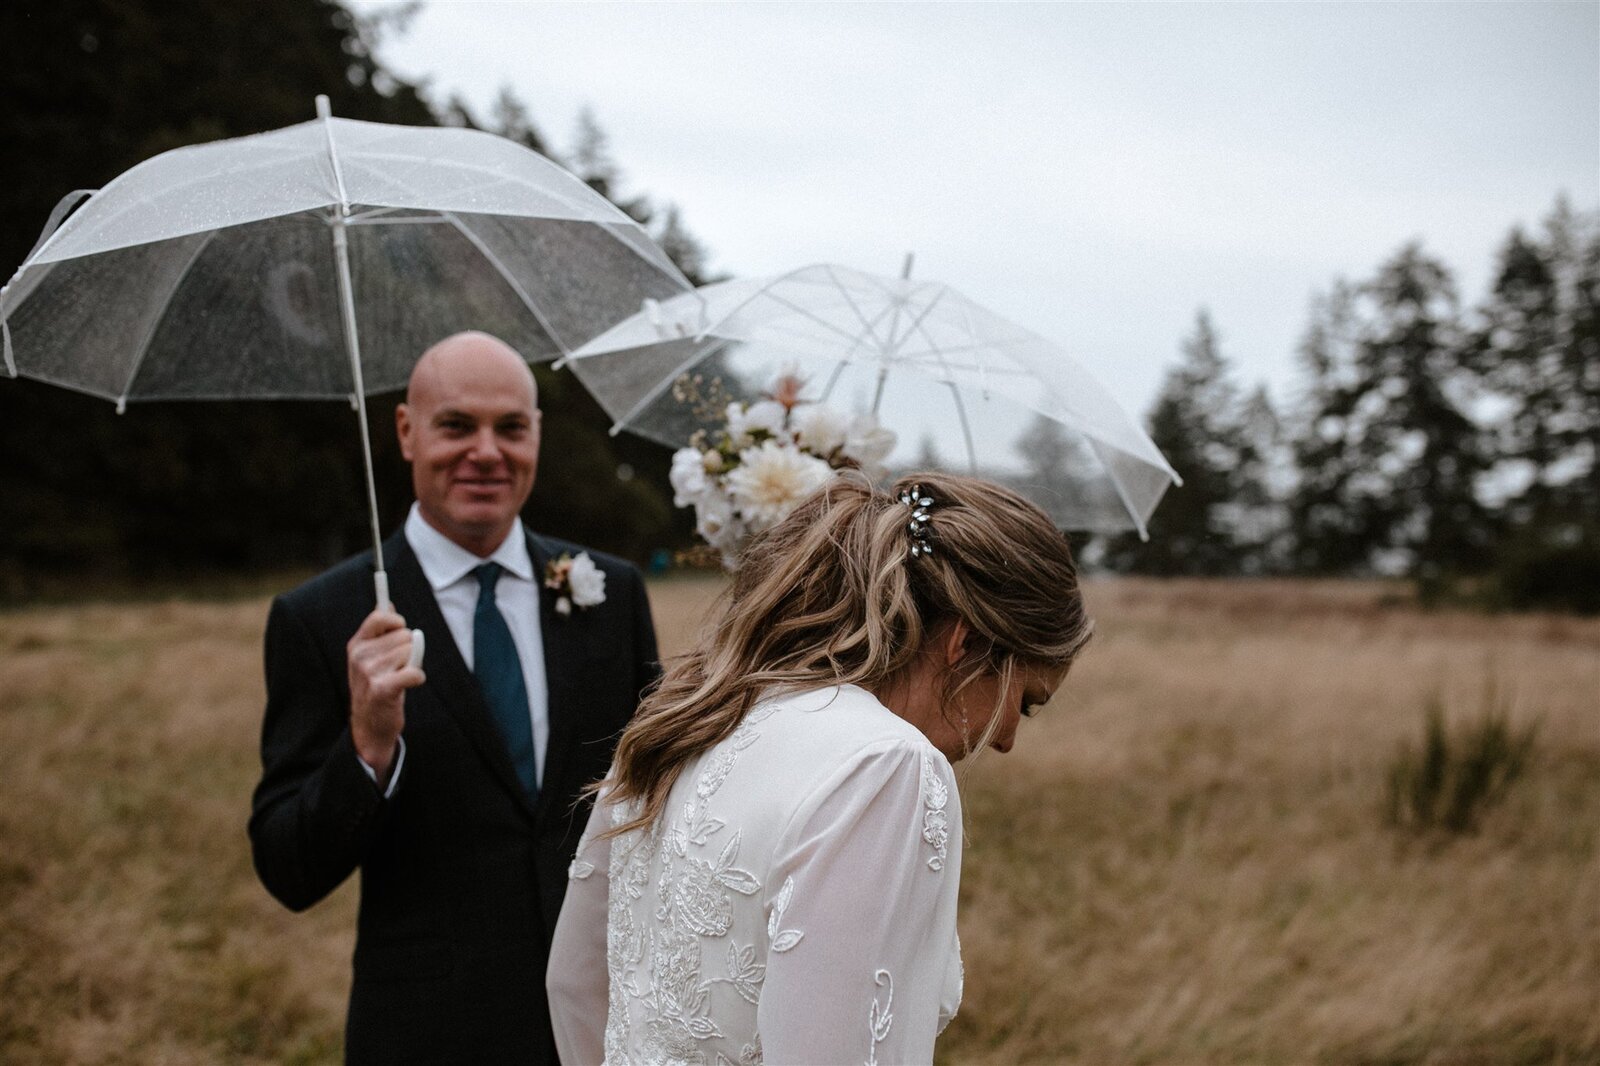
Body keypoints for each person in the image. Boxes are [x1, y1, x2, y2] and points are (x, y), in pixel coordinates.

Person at [547, 472, 1093, 1064]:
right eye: (1026, 700)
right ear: (963, 643)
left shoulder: (686, 715)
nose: (1008, 738)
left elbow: (573, 983)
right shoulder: (884, 768)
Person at [249, 331, 659, 1065]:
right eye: (456, 426)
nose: (487, 452)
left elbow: (655, 794)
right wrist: (368, 747)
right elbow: (289, 870)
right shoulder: (321, 618)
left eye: (511, 427)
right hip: (429, 1030)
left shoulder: (610, 593)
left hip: (607, 1022)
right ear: (407, 432)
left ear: (537, 434)